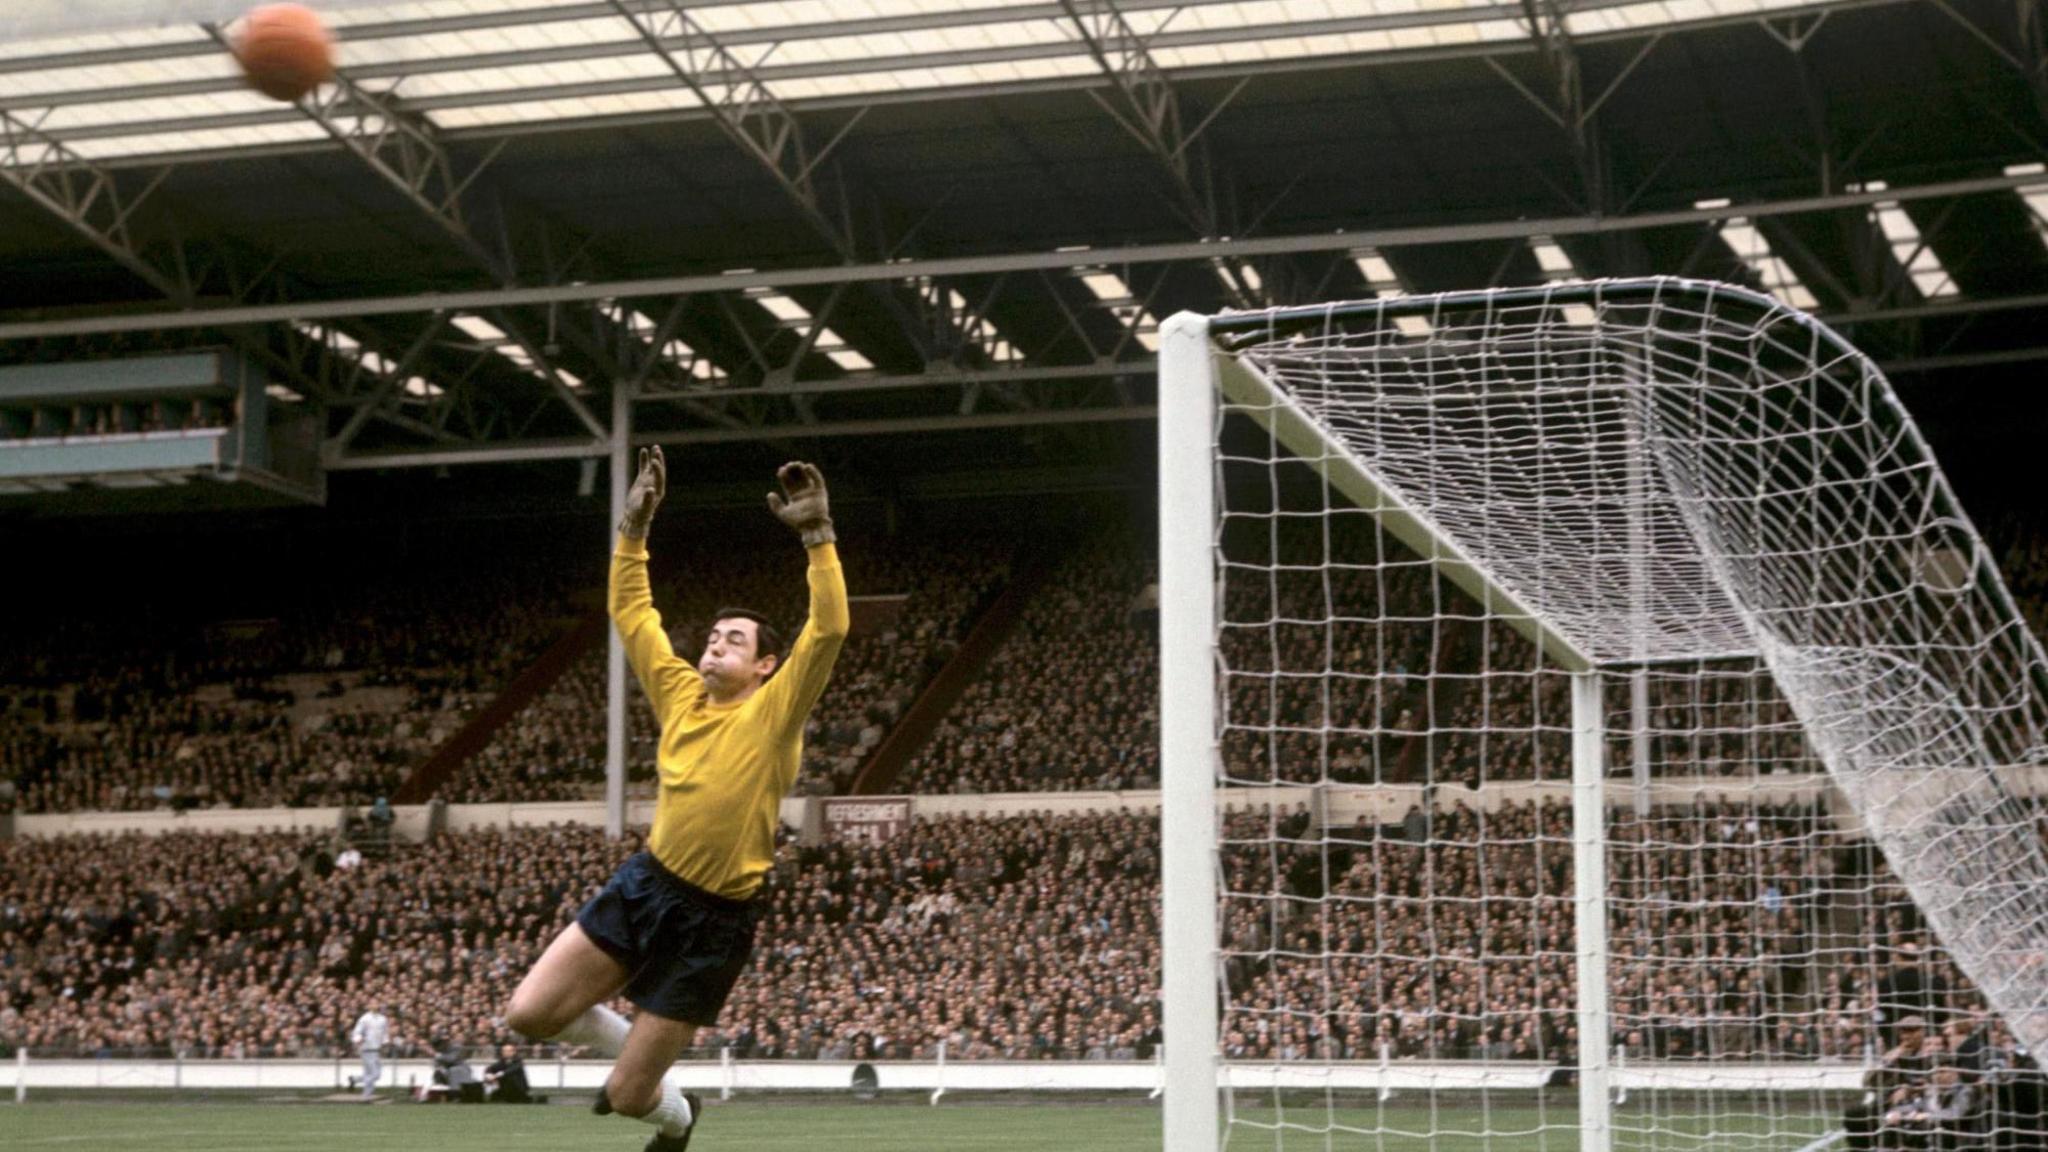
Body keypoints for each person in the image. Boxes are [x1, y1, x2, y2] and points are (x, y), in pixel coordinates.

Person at [503, 449, 848, 1152]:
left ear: (764, 667)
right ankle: (638, 1049)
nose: (715, 645)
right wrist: (633, 526)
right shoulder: (682, 694)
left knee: (634, 1098)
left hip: (714, 922)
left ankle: (677, 1116)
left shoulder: (775, 714)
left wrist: (818, 537)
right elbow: (631, 608)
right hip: (647, 884)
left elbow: (831, 630)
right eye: (713, 637)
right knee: (528, 1015)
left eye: (734, 640)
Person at [350, 1003, 390, 1101]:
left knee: (374, 1074)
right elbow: (357, 1032)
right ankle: (366, 1095)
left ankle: (355, 1079)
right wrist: (358, 1039)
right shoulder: (364, 1019)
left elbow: (384, 1033)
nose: (375, 1006)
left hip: (377, 1049)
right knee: (374, 1073)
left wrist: (385, 1043)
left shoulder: (383, 1019)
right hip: (366, 1049)